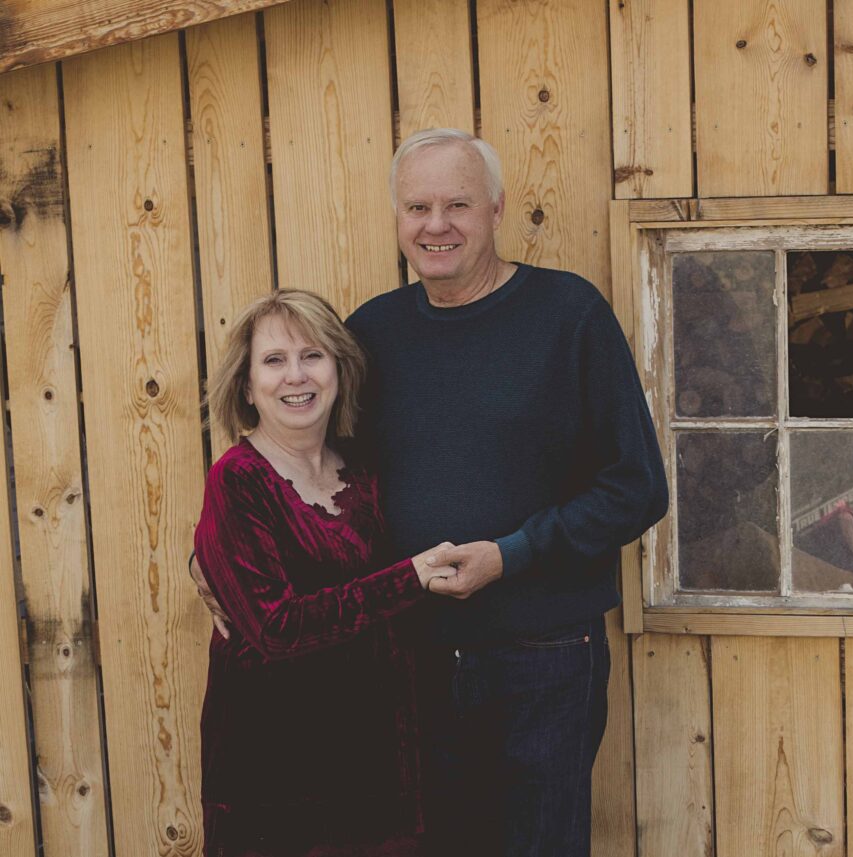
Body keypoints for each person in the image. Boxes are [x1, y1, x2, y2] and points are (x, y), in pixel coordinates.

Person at [194, 129, 668, 856]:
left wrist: (511, 554)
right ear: (398, 218)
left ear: (497, 209)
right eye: (418, 206)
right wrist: (214, 556)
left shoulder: (568, 315)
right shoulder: (373, 334)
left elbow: (636, 486)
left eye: (457, 204)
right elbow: (314, 473)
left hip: (541, 656)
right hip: (406, 667)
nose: (436, 224)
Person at [193, 290, 452, 857]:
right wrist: (410, 578)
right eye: (274, 360)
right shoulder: (238, 479)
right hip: (275, 775)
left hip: (377, 760)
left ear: (339, 369)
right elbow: (277, 626)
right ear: (246, 385)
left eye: (312, 355)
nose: (295, 376)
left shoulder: (363, 468)